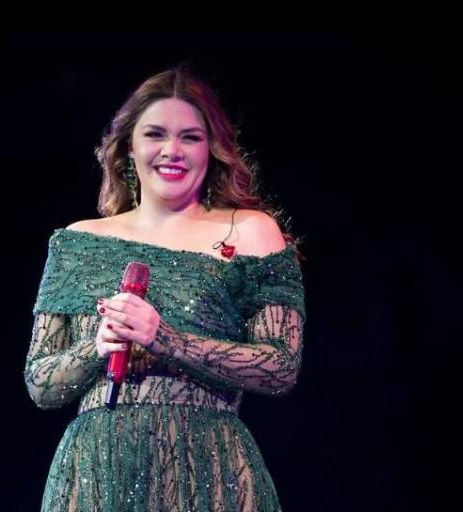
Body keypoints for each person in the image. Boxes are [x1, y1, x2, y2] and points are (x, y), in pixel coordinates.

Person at [24, 66, 306, 511]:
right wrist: (97, 346)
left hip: (210, 469)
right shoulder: (78, 242)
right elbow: (41, 384)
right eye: (155, 134)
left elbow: (280, 367)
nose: (172, 150)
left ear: (212, 149)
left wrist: (166, 339)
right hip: (97, 471)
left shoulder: (250, 231)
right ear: (128, 147)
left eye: (190, 137)